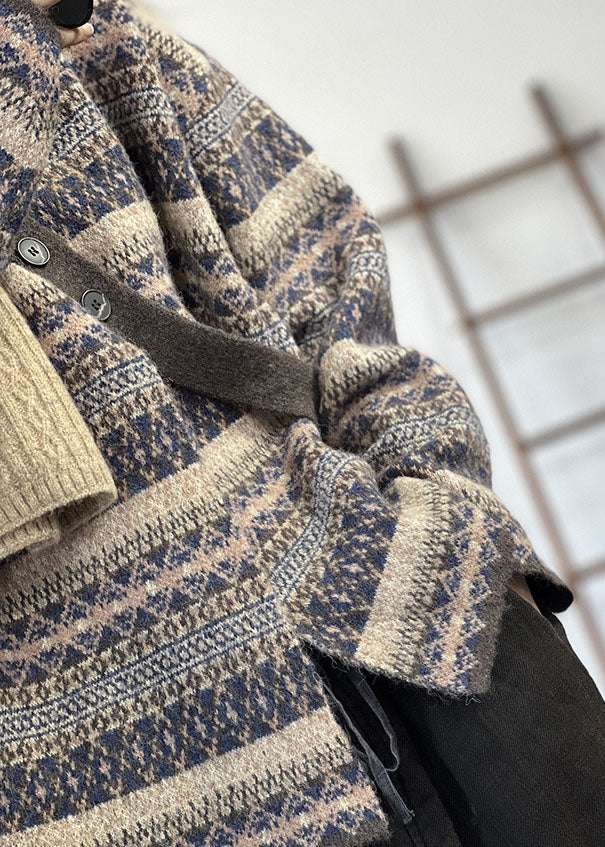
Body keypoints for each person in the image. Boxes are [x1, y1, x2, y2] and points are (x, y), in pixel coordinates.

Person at [0, 3, 603, 845]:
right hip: (149, 779)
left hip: (418, 604)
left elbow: (328, 268)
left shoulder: (89, 34)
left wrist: (447, 507)